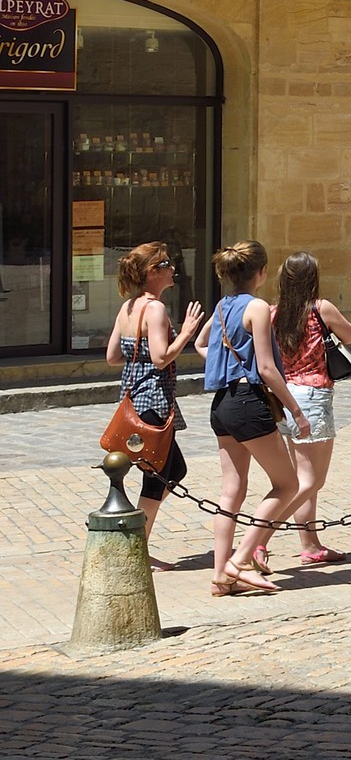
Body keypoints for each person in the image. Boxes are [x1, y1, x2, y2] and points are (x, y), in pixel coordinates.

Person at [195, 240, 312, 596]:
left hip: (221, 403)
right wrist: (295, 409)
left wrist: (227, 364)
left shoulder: (221, 308)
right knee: (288, 484)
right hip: (248, 401)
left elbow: (202, 346)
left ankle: (220, 575)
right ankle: (240, 560)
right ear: (261, 273)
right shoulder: (257, 307)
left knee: (231, 490)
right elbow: (266, 367)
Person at [104, 241, 203, 567]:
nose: (174, 268)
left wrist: (141, 353)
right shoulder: (156, 309)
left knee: (171, 470)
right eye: (167, 264)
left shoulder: (128, 307)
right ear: (153, 272)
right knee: (161, 473)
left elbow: (113, 357)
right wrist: (186, 332)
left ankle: (138, 546)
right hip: (153, 405)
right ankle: (134, 549)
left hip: (135, 401)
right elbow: (162, 358)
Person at [271, 251, 351, 566]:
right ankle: (259, 539)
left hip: (284, 397)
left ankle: (309, 543)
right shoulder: (321, 309)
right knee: (311, 481)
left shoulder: (273, 312)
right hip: (313, 397)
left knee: (302, 478)